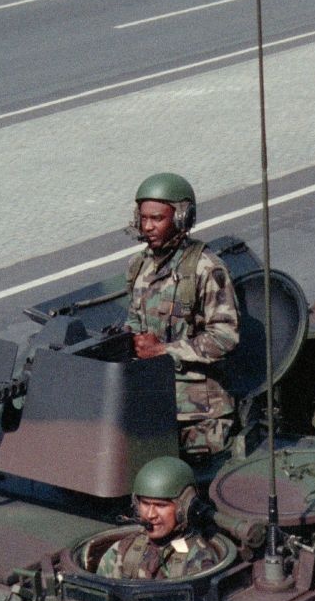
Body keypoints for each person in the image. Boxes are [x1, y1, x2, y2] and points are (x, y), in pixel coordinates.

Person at [126, 173, 240, 460]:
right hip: (155, 403)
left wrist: (164, 350)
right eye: (144, 218)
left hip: (200, 417)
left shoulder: (206, 268)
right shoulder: (139, 266)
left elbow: (225, 337)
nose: (148, 226)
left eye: (157, 219)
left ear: (180, 218)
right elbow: (135, 322)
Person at [94, 457, 228, 579]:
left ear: (184, 507)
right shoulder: (123, 550)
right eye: (145, 504)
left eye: (161, 505)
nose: (151, 514)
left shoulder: (198, 561)